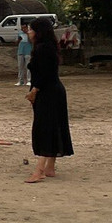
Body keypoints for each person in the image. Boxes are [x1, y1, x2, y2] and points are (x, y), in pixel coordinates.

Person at [25, 17, 74, 183]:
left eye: (31, 30)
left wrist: (34, 91)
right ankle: (50, 166)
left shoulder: (42, 49)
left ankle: (39, 170)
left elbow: (45, 73)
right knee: (53, 125)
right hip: (53, 90)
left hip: (47, 91)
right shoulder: (49, 47)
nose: (28, 32)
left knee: (44, 127)